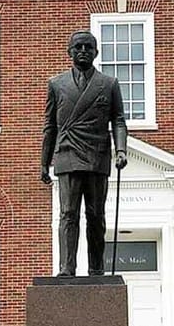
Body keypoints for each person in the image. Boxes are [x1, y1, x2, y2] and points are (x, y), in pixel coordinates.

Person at [41, 30, 128, 276]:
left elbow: (118, 121)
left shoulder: (109, 84)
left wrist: (120, 150)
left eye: (88, 47)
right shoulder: (56, 84)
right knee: (68, 214)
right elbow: (50, 126)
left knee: (95, 215)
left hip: (97, 154)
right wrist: (44, 163)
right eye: (78, 47)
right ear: (70, 52)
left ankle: (96, 269)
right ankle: (66, 268)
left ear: (96, 53)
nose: (83, 51)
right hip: (67, 153)